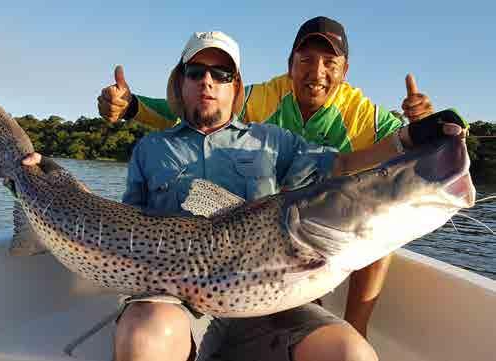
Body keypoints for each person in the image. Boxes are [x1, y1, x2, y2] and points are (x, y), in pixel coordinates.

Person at [26, 31, 464, 361]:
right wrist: (41, 178)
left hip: (271, 309)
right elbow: (129, 220)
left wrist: (409, 139)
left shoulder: (275, 141)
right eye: (196, 72)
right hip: (175, 301)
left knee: (353, 355)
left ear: (237, 88)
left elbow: (345, 167)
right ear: (180, 84)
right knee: (144, 336)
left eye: (222, 74)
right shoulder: (150, 149)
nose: (208, 81)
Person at [96, 16, 434, 338]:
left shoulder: (362, 115)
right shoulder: (257, 98)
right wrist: (132, 107)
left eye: (330, 63)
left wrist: (424, 130)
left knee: (374, 231)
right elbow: (192, 106)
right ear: (290, 64)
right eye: (306, 60)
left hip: (284, 243)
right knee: (147, 330)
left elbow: (379, 152)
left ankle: (351, 327)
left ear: (345, 71)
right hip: (209, 262)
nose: (208, 82)